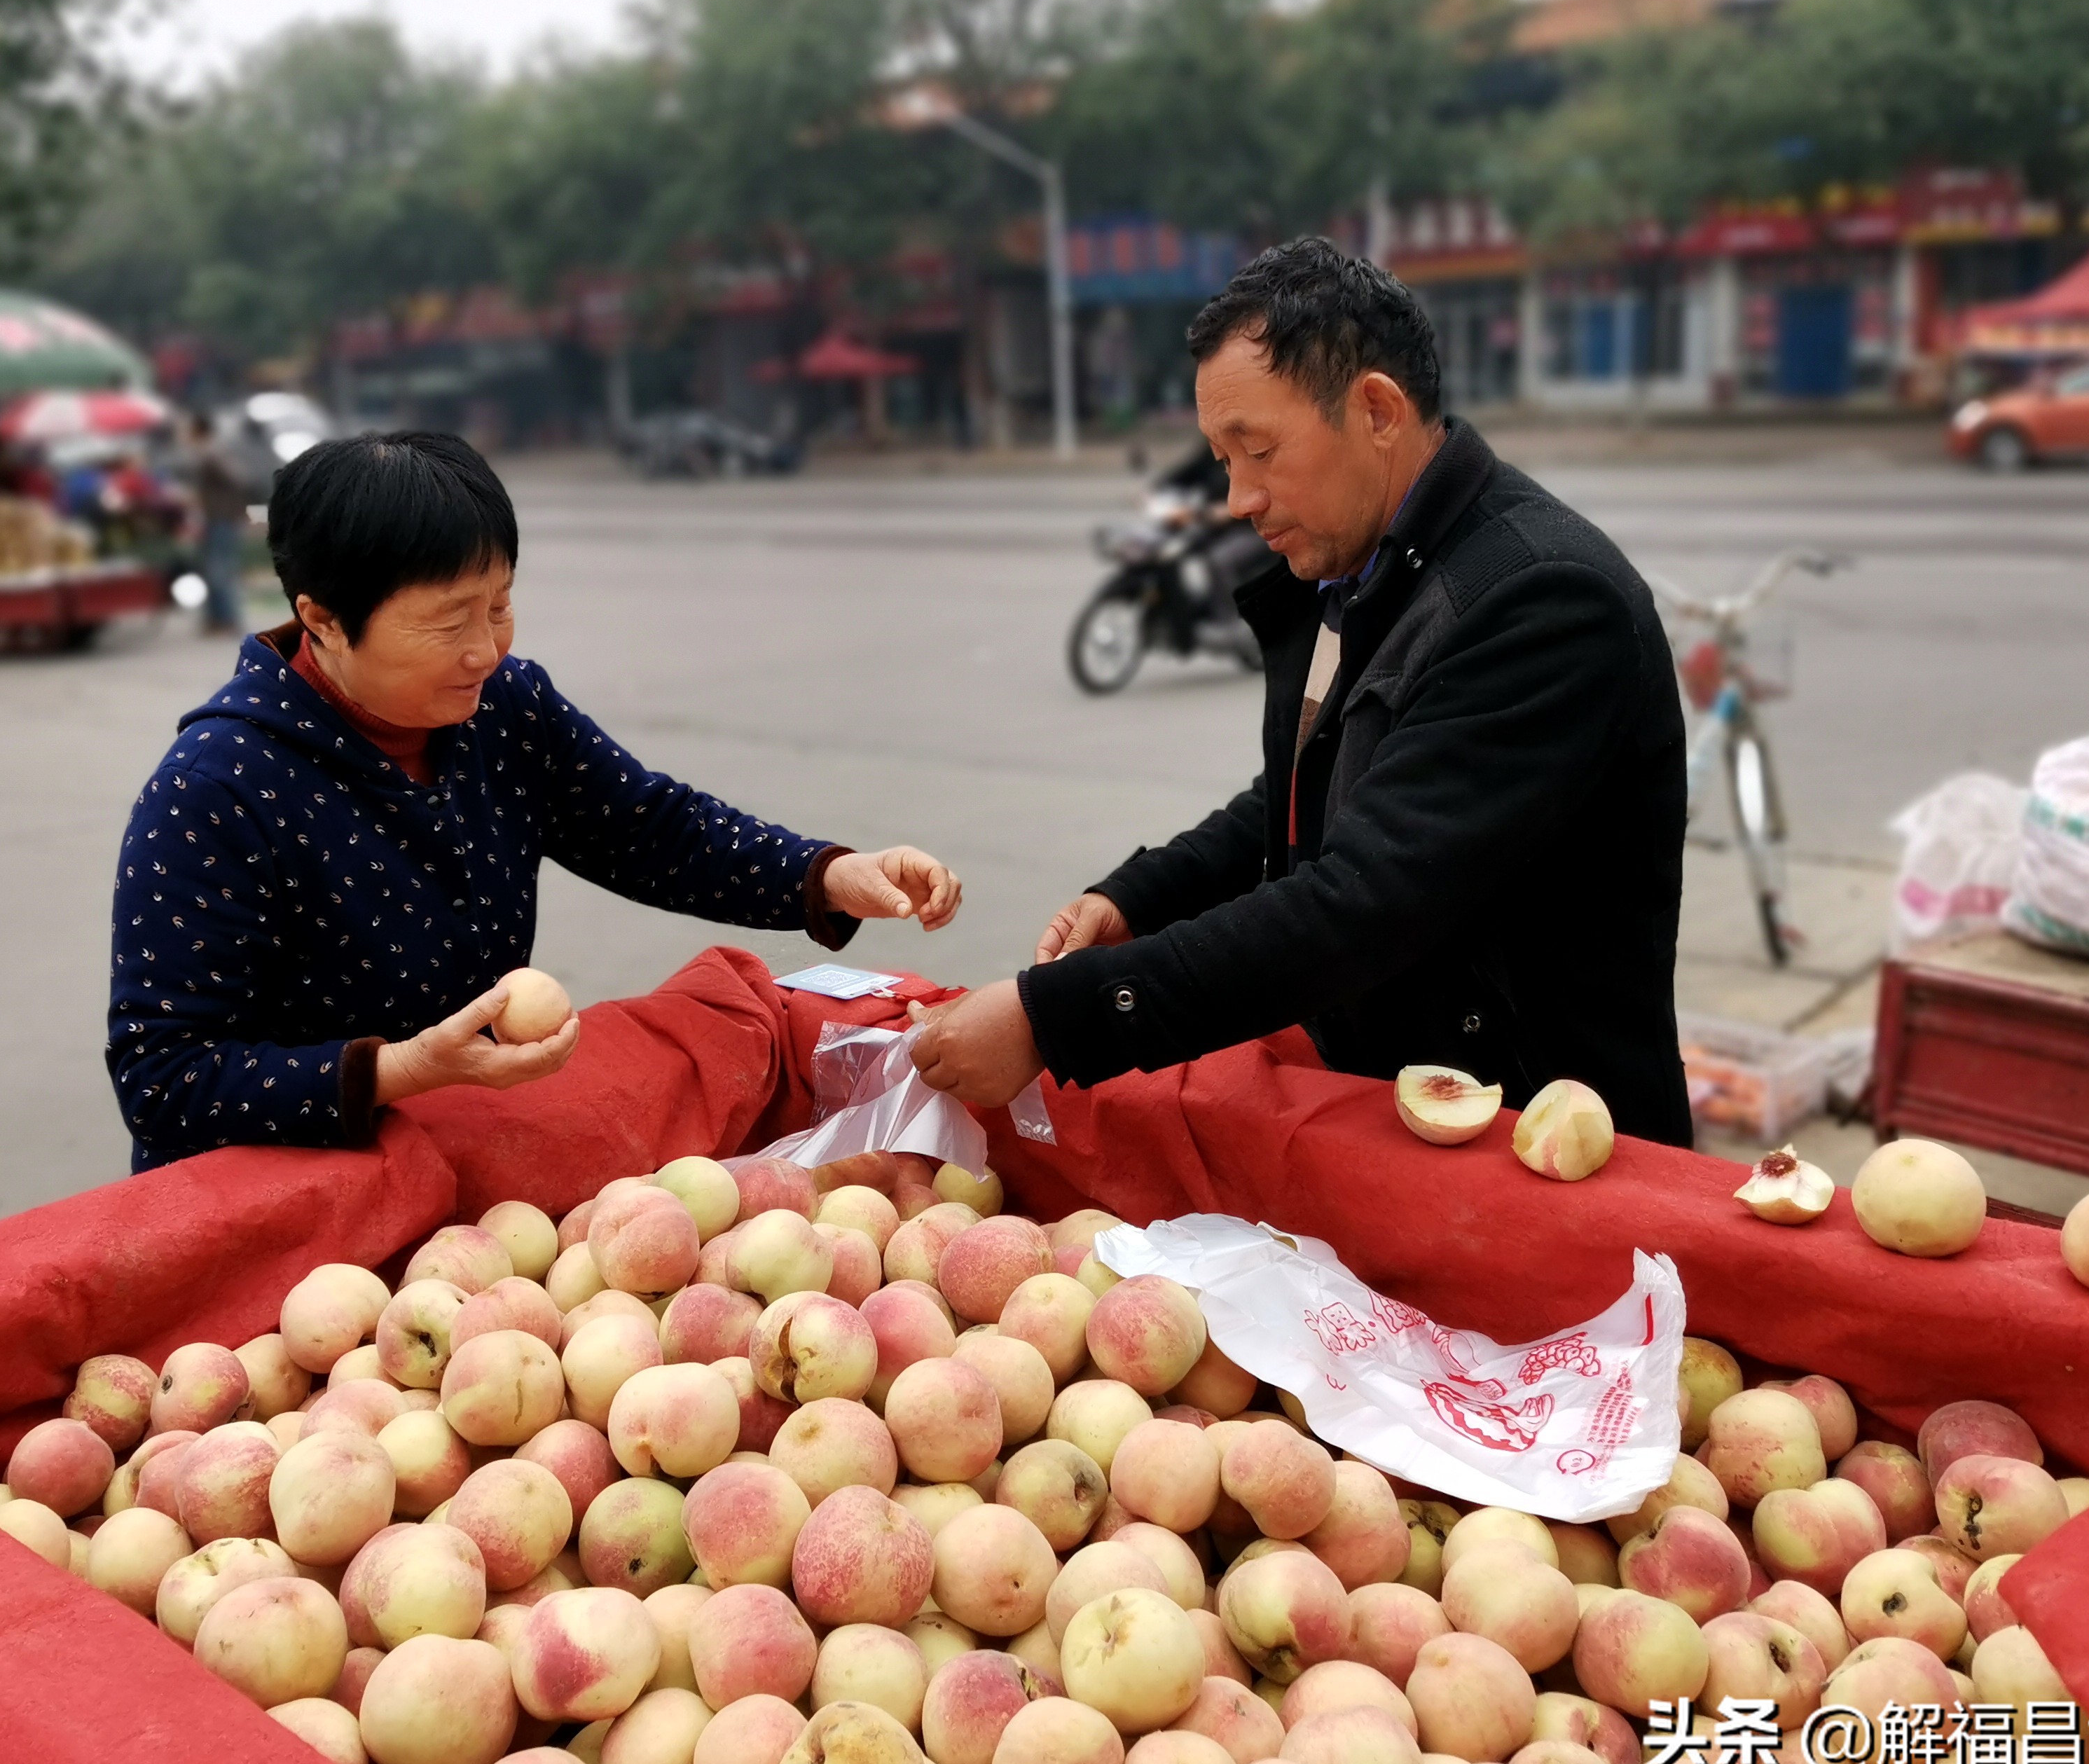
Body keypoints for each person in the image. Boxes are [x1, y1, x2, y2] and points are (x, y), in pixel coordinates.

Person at [909, 237, 1695, 1145]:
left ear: (1377, 411)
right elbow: (1301, 799)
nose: (1239, 498)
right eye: (1221, 459)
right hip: (1400, 1108)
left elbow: (1365, 898)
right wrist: (1142, 895)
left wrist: (1060, 1018)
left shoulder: (1541, 600)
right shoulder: (1362, 570)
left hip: (1541, 1138)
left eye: (1260, 451)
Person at [107, 429, 964, 1171]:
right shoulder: (214, 788)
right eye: (449, 622)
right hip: (267, 1201)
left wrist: (826, 874)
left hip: (454, 1160)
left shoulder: (505, 711)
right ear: (322, 619)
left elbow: (649, 829)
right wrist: (402, 1070)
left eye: (501, 606)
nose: (486, 649)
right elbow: (164, 1079)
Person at [179, 412, 249, 634]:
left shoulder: (211, 454)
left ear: (197, 431)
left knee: (219, 570)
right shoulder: (205, 454)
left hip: (221, 518)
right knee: (213, 569)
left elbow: (237, 480)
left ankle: (225, 619)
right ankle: (216, 618)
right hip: (214, 518)